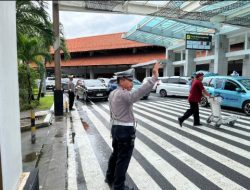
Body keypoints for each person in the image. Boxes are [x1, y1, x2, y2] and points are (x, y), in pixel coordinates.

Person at [105, 62, 160, 190]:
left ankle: (110, 177)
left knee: (116, 155)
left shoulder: (113, 93)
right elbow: (137, 94)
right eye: (130, 81)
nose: (132, 84)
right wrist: (153, 79)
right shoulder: (123, 94)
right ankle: (119, 186)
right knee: (123, 160)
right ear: (122, 80)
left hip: (116, 128)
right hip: (124, 130)